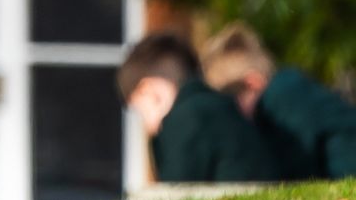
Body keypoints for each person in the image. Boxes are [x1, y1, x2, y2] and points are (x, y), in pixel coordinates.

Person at [121, 31, 284, 183]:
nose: (148, 128)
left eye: (140, 112)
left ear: (149, 92)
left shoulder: (185, 120)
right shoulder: (223, 109)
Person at [199, 22, 356, 180]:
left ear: (253, 83)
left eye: (231, 99)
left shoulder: (280, 97)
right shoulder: (286, 91)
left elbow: (297, 164)